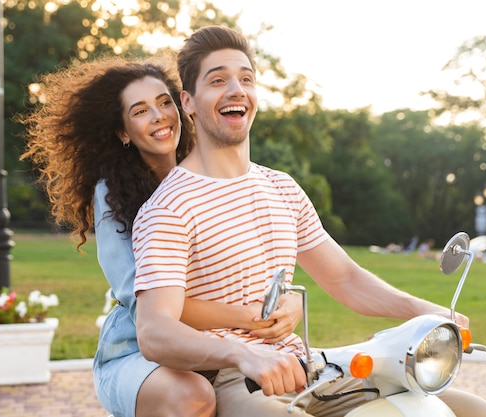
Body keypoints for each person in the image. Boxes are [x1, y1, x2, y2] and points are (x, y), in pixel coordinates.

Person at [131, 25, 486, 417]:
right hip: (237, 377)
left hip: (310, 366)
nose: (236, 89)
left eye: (246, 79)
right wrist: (243, 354)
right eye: (218, 80)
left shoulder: (282, 188)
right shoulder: (170, 206)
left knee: (474, 411)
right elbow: (154, 330)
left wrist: (426, 311)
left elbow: (344, 278)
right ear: (188, 101)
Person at [18, 55, 302, 417]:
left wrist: (287, 303)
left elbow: (248, 267)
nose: (158, 117)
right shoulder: (112, 195)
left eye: (164, 102)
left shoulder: (210, 172)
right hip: (137, 350)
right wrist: (255, 318)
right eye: (140, 111)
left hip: (223, 343)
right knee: (192, 396)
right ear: (122, 131)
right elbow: (152, 313)